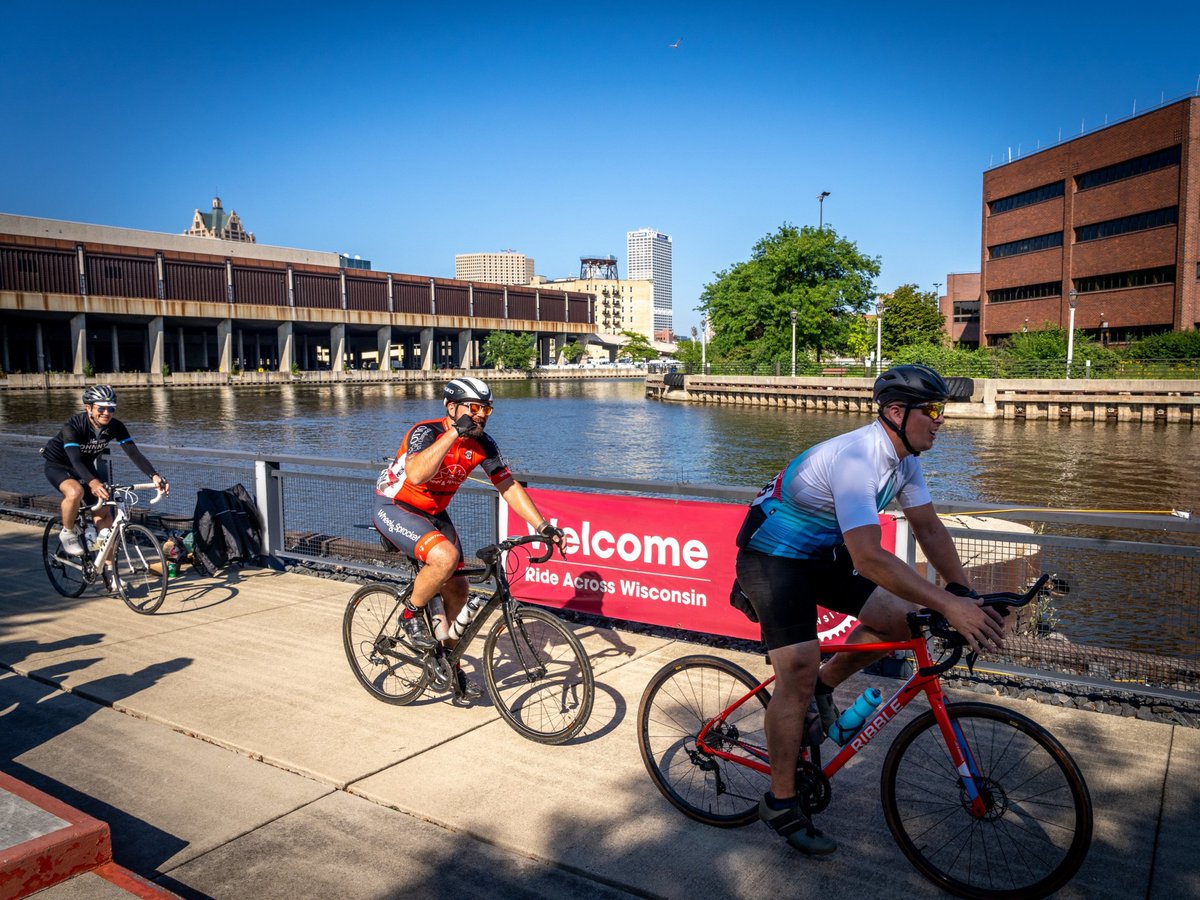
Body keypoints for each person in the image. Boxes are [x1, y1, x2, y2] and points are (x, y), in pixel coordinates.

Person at [732, 364, 1006, 855]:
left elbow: (930, 529)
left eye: (944, 410)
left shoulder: (906, 460)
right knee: (795, 665)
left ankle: (825, 685)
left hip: (821, 553)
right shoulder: (859, 457)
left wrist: (964, 595)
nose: (942, 420)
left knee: (903, 621)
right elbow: (868, 556)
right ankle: (781, 799)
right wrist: (945, 602)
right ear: (896, 413)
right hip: (772, 556)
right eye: (935, 411)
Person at [373, 377, 563, 699]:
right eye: (473, 408)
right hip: (396, 505)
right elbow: (417, 474)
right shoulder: (426, 432)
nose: (481, 415)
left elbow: (508, 486)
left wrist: (543, 526)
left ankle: (448, 663)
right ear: (451, 407)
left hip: (433, 513)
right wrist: (453, 433)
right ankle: (409, 613)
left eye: (486, 409)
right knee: (444, 558)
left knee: (459, 588)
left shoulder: (484, 443)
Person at [42, 386, 170, 587]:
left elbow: (134, 453)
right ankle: (67, 531)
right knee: (75, 491)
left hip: (85, 468)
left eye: (111, 409)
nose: (106, 413)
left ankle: (109, 572)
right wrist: (93, 482)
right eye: (101, 409)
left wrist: (154, 475)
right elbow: (75, 460)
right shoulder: (73, 426)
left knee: (105, 518)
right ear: (89, 408)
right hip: (60, 465)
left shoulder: (115, 426)